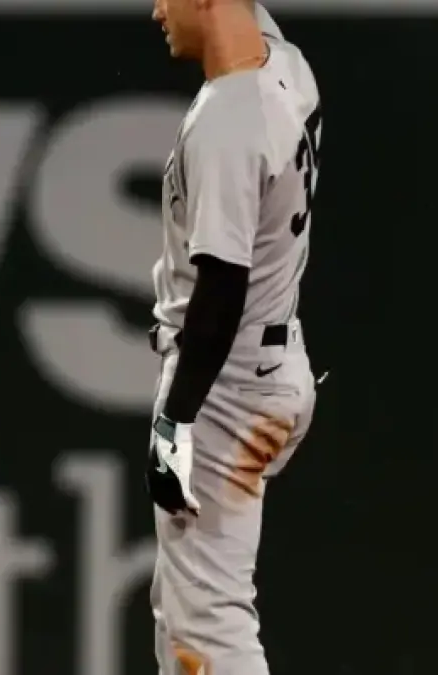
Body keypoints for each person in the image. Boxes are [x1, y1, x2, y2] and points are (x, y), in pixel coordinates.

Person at [144, 0, 323, 672]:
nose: (156, 10)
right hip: (275, 363)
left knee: (210, 627)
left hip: (227, 388)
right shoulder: (287, 65)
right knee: (183, 615)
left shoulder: (228, 120)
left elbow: (221, 290)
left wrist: (176, 420)